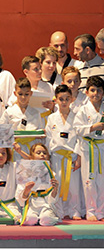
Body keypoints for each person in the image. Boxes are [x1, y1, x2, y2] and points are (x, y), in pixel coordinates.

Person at [45, 84, 83, 220]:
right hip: (57, 156)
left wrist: (79, 157)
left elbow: (80, 138)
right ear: (56, 100)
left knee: (74, 185)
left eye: (67, 99)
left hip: (71, 156)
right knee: (58, 184)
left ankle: (75, 210)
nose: (64, 102)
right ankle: (59, 210)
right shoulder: (51, 118)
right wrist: (48, 158)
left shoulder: (77, 117)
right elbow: (48, 138)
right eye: (61, 99)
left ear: (72, 99)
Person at [75, 75, 104, 221]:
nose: (96, 94)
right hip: (88, 149)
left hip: (102, 147)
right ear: (86, 92)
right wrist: (93, 127)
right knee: (89, 181)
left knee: (102, 181)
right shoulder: (83, 110)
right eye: (92, 90)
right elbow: (77, 129)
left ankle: (101, 211)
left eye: (99, 90)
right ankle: (91, 211)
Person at [16, 143, 60, 226]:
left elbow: (52, 200)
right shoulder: (24, 174)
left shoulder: (52, 174)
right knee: (30, 220)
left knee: (46, 219)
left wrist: (55, 189)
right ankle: (35, 219)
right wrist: (26, 190)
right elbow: (20, 199)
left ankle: (45, 218)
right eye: (38, 153)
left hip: (46, 204)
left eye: (44, 153)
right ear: (31, 157)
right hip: (31, 205)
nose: (42, 155)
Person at [3, 78, 44, 160]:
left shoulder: (35, 113)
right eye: (20, 94)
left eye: (26, 94)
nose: (23, 97)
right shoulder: (9, 112)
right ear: (15, 93)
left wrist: (41, 134)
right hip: (15, 148)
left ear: (31, 93)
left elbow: (40, 136)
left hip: (31, 149)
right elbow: (3, 134)